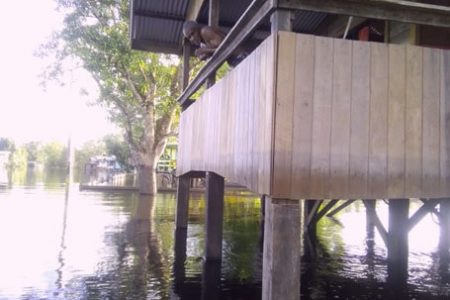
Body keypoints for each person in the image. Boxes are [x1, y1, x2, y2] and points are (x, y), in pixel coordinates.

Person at [182, 20, 247, 67]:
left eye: (193, 33)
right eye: (189, 37)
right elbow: (216, 52)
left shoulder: (205, 31)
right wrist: (206, 55)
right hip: (234, 61)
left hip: (241, 56)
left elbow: (225, 48)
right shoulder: (202, 44)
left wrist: (205, 50)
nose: (192, 38)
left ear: (197, 28)